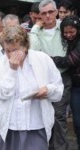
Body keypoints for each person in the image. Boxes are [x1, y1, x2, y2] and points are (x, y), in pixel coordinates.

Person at [0, 25, 64, 150]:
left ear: (25, 46)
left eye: (16, 50)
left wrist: (48, 90)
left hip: (37, 125)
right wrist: (12, 71)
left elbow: (59, 90)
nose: (11, 54)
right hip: (10, 126)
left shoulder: (43, 60)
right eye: (7, 50)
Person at [29, 0, 71, 149]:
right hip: (41, 79)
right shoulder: (36, 31)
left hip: (62, 77)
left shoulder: (64, 27)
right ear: (39, 15)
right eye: (43, 13)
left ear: (56, 12)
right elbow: (33, 51)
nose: (47, 15)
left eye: (50, 12)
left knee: (59, 116)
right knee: (43, 116)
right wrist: (35, 28)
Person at [51, 15, 80, 150]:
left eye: (72, 32)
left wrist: (49, 59)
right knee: (78, 121)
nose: (68, 35)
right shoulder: (65, 42)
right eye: (65, 32)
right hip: (74, 86)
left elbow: (70, 61)